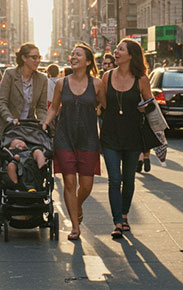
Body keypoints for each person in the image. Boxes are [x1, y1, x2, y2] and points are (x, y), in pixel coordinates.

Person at [42, 43, 105, 241]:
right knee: (69, 182)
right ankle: (75, 226)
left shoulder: (97, 84)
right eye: (72, 54)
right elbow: (54, 107)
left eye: (78, 55)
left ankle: (76, 206)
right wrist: (45, 123)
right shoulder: (62, 83)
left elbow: (104, 107)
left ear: (87, 61)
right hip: (64, 138)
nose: (73, 57)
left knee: (86, 185)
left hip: (88, 139)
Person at [99, 38, 161, 239]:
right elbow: (102, 106)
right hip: (110, 135)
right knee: (114, 180)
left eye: (120, 49)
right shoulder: (107, 77)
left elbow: (151, 103)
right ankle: (117, 221)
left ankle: (124, 214)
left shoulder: (141, 79)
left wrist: (144, 106)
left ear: (131, 55)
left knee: (129, 179)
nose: (116, 52)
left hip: (133, 135)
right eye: (116, 48)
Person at [0, 43, 48, 138]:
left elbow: (41, 107)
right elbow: (1, 102)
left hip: (29, 129)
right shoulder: (10, 74)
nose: (38, 61)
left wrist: (42, 123)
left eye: (39, 57)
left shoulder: (42, 79)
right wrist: (10, 119)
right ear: (24, 58)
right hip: (8, 128)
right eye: (34, 57)